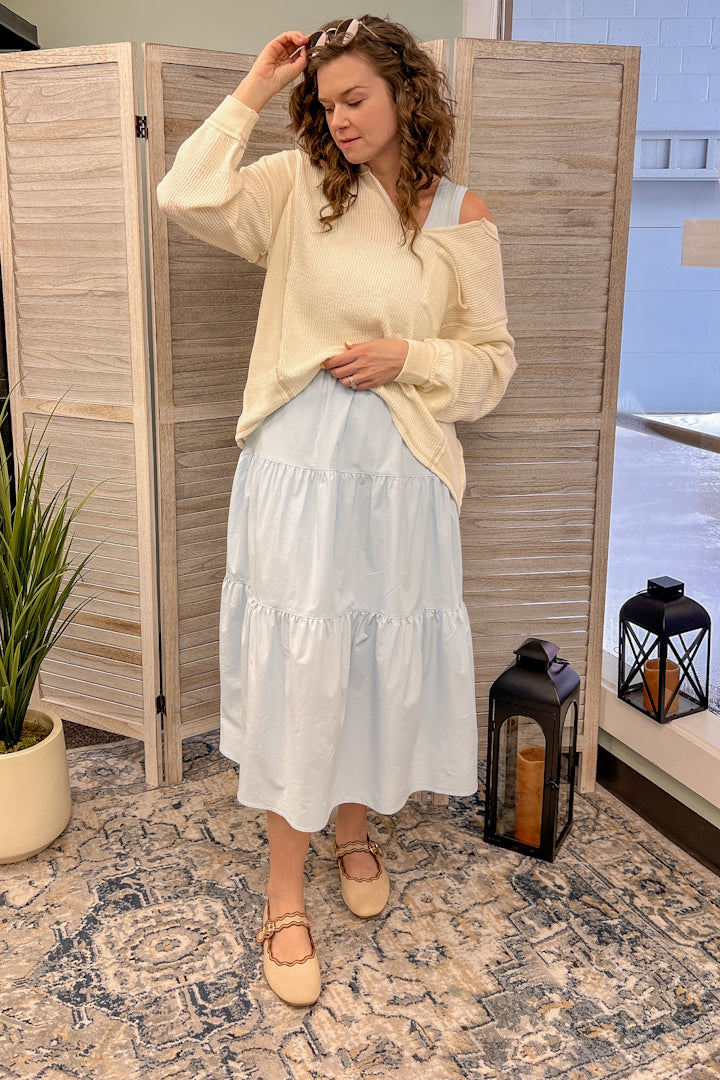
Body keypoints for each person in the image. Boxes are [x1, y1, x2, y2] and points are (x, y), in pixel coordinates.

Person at [157, 14, 516, 1007]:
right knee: (304, 663)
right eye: (327, 103)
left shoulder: (460, 214)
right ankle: (285, 892)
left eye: (355, 97)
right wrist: (258, 87)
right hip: (299, 467)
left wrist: (412, 356)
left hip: (404, 474)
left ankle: (352, 828)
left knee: (365, 657)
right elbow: (184, 192)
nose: (340, 118)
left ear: (407, 93)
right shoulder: (298, 189)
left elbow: (491, 364)